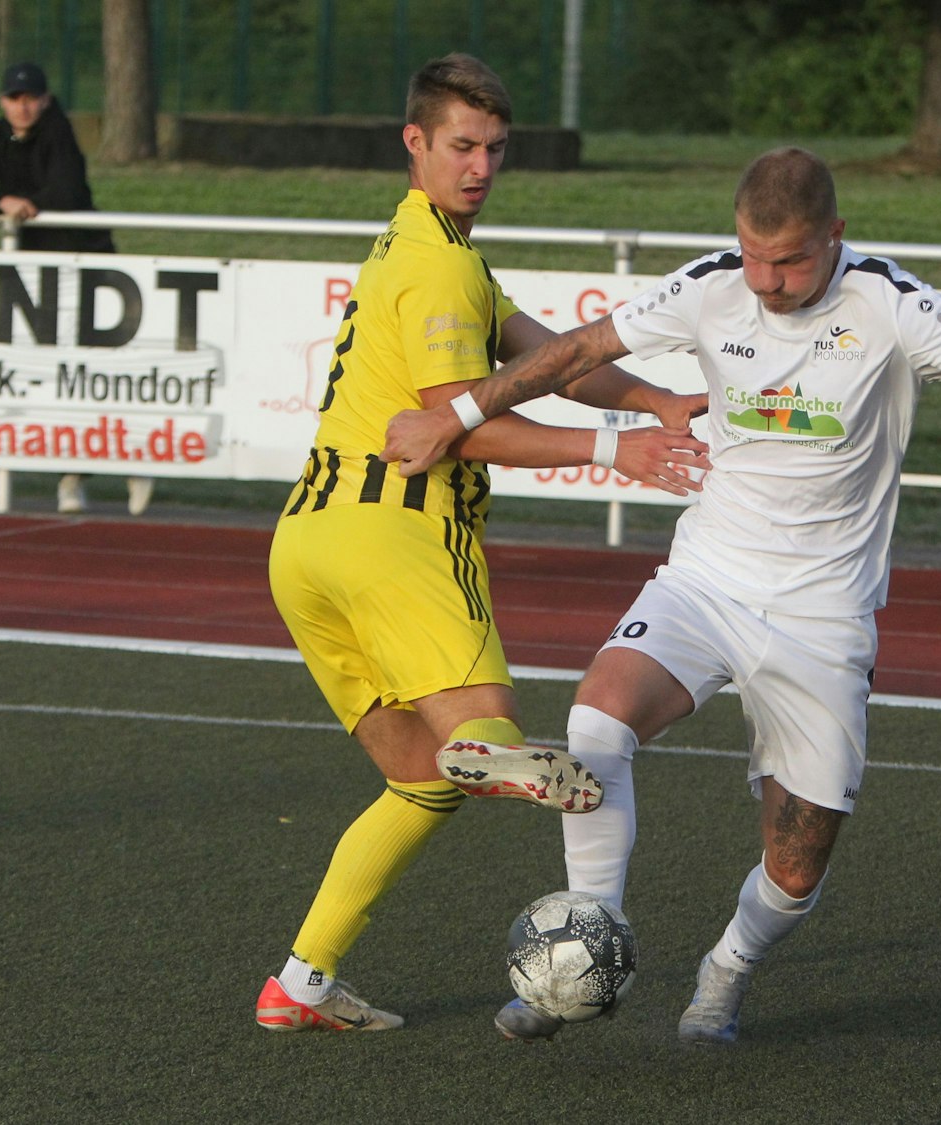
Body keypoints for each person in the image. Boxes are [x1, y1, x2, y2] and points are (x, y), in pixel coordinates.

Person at [382, 146, 941, 1046]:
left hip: (824, 617)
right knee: (598, 722)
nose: (767, 280)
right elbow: (578, 350)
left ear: (834, 237)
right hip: (707, 580)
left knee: (795, 866)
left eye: (788, 261)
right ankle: (586, 950)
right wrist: (457, 416)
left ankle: (727, 970)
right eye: (753, 256)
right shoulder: (713, 286)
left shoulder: (889, 302)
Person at [256, 53, 709, 1033]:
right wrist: (613, 449)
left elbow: (537, 358)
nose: (480, 166)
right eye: (461, 146)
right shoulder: (437, 267)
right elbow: (449, 424)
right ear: (414, 143)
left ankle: (299, 983)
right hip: (398, 534)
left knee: (415, 783)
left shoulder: (420, 244)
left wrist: (649, 397)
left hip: (305, 547)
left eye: (494, 149)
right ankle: (495, 750)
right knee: (473, 737)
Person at [0, 62, 150, 515]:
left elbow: (67, 190)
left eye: (29, 98)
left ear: (44, 99)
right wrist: (1, 202)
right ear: (2, 101)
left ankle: (123, 461)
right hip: (36, 275)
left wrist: (29, 206)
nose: (21, 107)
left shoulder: (59, 133)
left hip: (86, 267)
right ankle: (75, 472)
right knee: (48, 376)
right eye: (12, 98)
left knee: (94, 376)